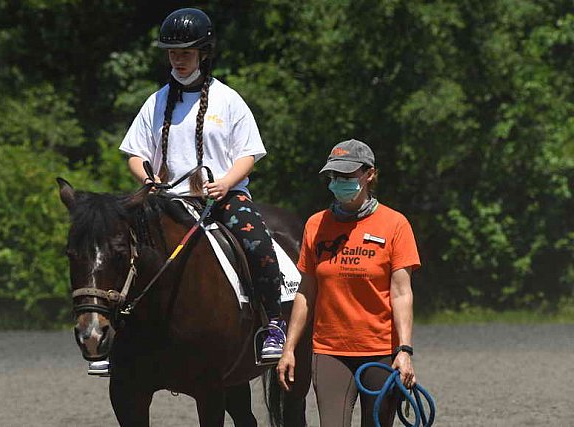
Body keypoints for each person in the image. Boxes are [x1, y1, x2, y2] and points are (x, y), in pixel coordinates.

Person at [118, 8, 285, 359]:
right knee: (115, 242)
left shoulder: (229, 99)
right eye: (172, 53)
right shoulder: (156, 101)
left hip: (222, 197)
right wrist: (148, 180)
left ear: (203, 54)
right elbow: (134, 152)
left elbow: (249, 154)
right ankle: (114, 334)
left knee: (258, 245)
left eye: (186, 53)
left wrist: (225, 183)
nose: (177, 60)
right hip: (168, 200)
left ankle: (273, 325)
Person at [276, 139, 420, 426]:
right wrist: (288, 348)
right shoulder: (316, 225)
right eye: (334, 177)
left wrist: (404, 351)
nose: (339, 182)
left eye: (347, 176)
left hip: (381, 352)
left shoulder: (395, 224)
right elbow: (306, 292)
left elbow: (402, 293)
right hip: (330, 351)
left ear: (369, 174)